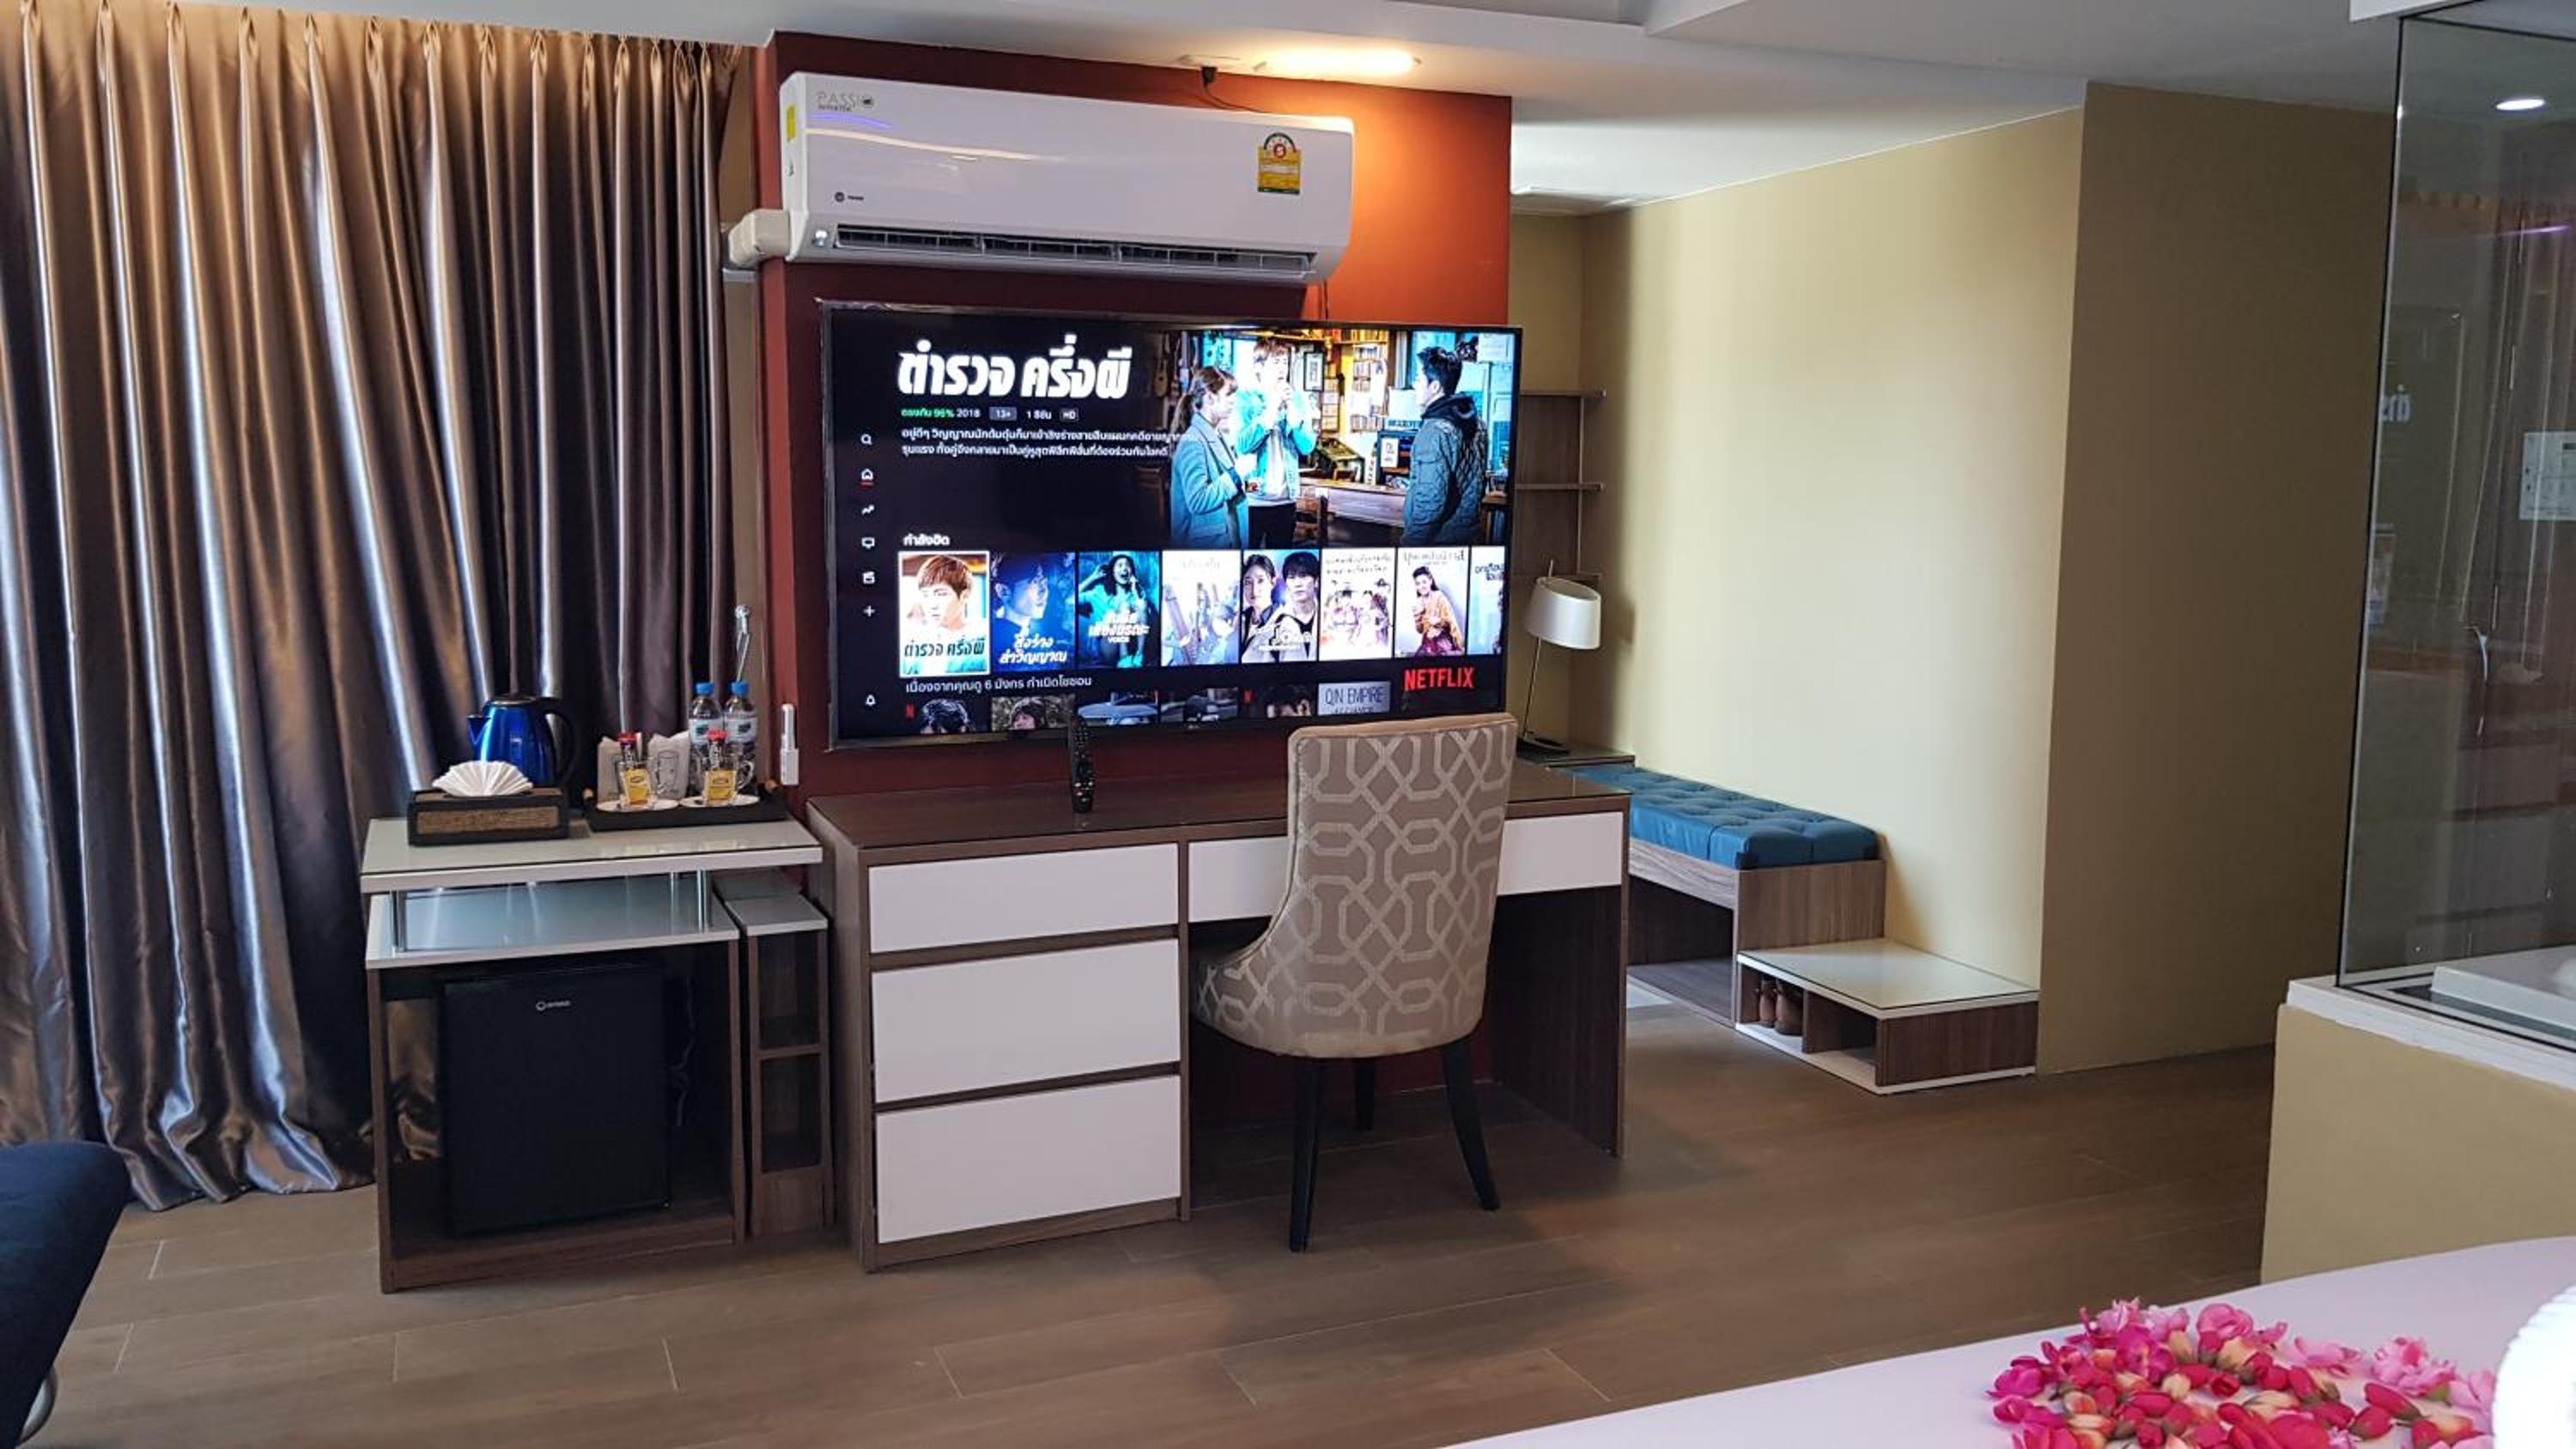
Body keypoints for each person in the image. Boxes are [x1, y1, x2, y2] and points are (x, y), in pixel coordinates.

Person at [1403, 346, 1489, 547]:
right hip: (1468, 538)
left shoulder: (1433, 432)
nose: (1415, 385)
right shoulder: (1479, 423)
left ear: (1434, 387)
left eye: (1418, 379)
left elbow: (1429, 502)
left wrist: (1409, 546)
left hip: (1436, 543)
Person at [1169, 367, 1249, 549]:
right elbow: (1198, 500)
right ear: (1209, 398)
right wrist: (1237, 474)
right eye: (1228, 394)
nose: (1234, 401)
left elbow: (1225, 483)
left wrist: (1248, 483)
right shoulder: (1193, 441)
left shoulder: (1217, 434)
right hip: (1205, 549)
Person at [1235, 339, 1317, 506]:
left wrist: (1292, 410)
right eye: (1276, 362)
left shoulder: (1296, 399)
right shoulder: (1246, 399)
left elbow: (1307, 447)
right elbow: (1243, 445)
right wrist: (1272, 407)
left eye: (1285, 363)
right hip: (1254, 497)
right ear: (1258, 367)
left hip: (1287, 497)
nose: (1282, 369)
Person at [904, 554, 984, 676]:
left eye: (940, 594)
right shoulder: (914, 644)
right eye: (925, 595)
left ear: (965, 596)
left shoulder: (983, 642)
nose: (931, 604)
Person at [1077, 553, 1155, 667]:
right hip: (1109, 644)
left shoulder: (1137, 594)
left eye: (1127, 565)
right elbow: (1071, 599)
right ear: (1112, 572)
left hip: (1132, 645)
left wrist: (1135, 591)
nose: (1124, 568)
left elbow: (1146, 618)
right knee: (1114, 613)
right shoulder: (1099, 592)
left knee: (1139, 604)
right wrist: (1093, 577)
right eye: (1120, 565)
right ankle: (1124, 656)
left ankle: (1139, 655)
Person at [1242, 550, 1319, 664]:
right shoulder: (1241, 619)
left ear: (1273, 582)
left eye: (1260, 581)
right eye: (1248, 582)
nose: (1254, 589)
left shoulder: (1286, 624)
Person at [990, 555, 1066, 669]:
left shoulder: (1042, 642)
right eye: (1035, 582)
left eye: (1044, 582)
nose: (1044, 591)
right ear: (1003, 591)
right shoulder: (992, 642)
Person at [1410, 565, 1463, 657]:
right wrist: (1417, 617)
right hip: (1427, 642)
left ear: (1430, 581)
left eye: (1424, 582)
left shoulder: (1440, 597)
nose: (1421, 586)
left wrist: (1439, 621)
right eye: (1418, 584)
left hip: (1443, 641)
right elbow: (1420, 630)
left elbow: (1450, 623)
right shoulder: (1418, 602)